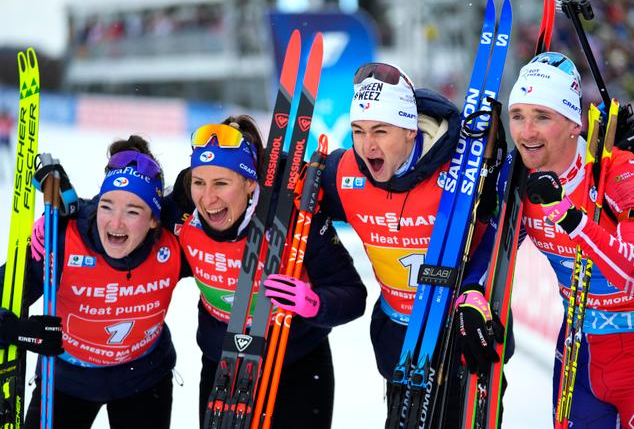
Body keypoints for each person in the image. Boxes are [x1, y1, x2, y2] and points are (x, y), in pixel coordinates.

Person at [318, 63, 506, 422]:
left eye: (380, 130)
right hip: (399, 341)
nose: (366, 144)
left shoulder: (461, 166)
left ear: (409, 129)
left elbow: (512, 223)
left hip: (462, 335)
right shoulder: (343, 174)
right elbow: (280, 196)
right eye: (357, 130)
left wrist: (473, 287)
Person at [162, 115, 367, 429]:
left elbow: (352, 294)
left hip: (295, 363)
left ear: (248, 183)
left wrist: (313, 304)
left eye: (221, 183)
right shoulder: (182, 216)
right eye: (199, 182)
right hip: (223, 367)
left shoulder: (294, 216)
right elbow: (129, 222)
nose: (208, 197)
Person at [498, 52, 634, 427]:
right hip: (579, 356)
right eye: (518, 116)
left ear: (575, 124)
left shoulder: (624, 174)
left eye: (543, 117)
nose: (526, 133)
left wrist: (571, 218)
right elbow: (489, 255)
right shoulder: (521, 184)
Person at [0, 135, 186, 429]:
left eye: (133, 211)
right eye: (107, 206)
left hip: (143, 380)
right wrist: (23, 332)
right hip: (66, 384)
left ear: (154, 219)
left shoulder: (172, 244)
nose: (115, 223)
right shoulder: (61, 241)